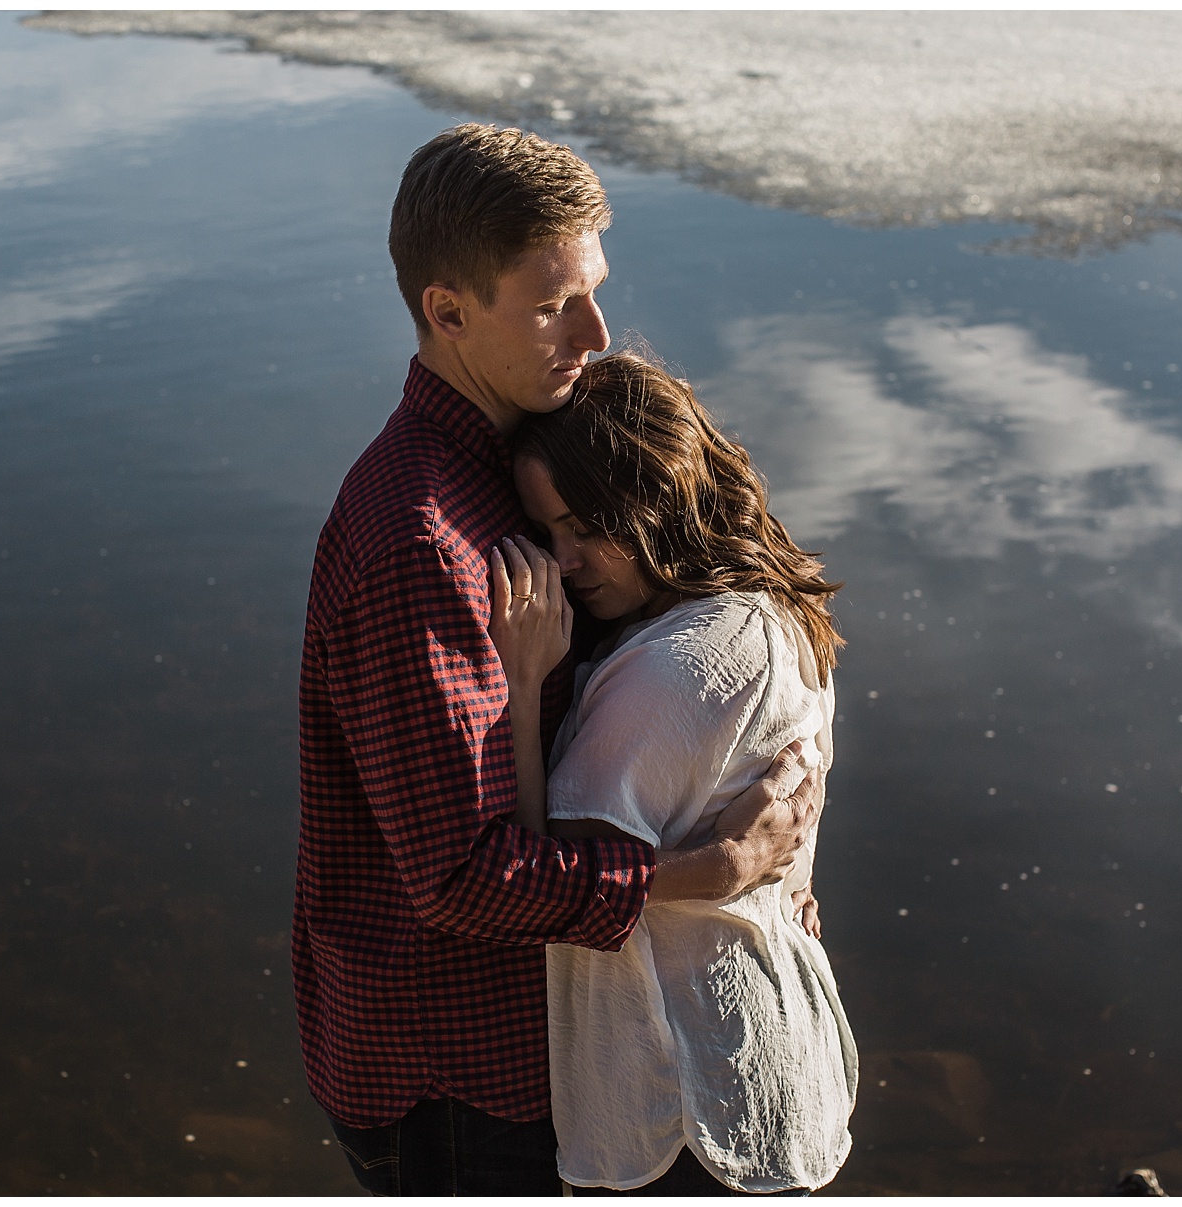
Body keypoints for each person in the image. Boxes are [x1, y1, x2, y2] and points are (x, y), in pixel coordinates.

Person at [296, 123, 826, 1195]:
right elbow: (461, 877)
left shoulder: (526, 450)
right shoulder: (424, 544)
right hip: (461, 1083)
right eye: (551, 304)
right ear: (447, 312)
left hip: (539, 1056)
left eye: (594, 288)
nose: (594, 329)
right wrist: (711, 876)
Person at [486, 350, 859, 1195]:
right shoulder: (778, 604)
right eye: (549, 534)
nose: (567, 562)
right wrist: (747, 872)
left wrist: (523, 685)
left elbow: (555, 886)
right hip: (765, 1061)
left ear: (657, 500)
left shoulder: (678, 667)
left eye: (586, 526)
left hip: (681, 1103)